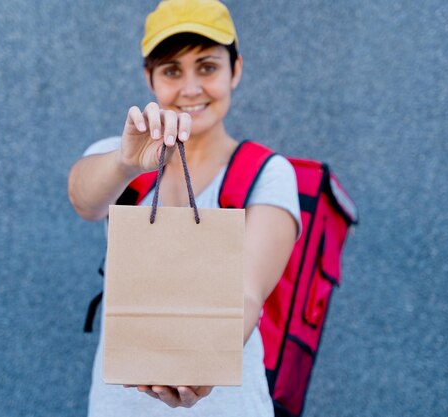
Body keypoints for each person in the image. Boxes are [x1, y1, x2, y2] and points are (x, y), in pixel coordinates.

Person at [68, 0, 300, 415]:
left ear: (236, 70)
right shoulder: (120, 155)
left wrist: (198, 370)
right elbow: (84, 201)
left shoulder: (268, 173)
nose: (191, 88)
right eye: (172, 70)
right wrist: (125, 162)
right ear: (150, 78)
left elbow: (247, 294)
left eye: (207, 67)